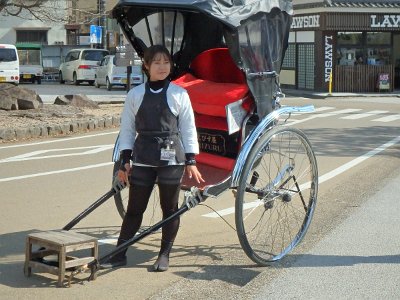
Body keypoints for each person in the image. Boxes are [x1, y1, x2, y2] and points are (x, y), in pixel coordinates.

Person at [101, 45, 204, 271]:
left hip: (171, 158)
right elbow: (127, 130)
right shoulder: (135, 95)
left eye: (166, 62)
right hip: (144, 155)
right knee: (135, 208)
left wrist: (191, 160)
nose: (162, 67)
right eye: (156, 62)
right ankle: (119, 253)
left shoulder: (179, 94)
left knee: (170, 208)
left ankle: (164, 254)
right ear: (146, 66)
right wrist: (124, 161)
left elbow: (188, 128)